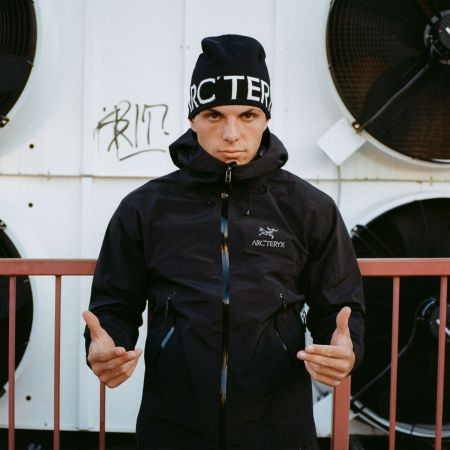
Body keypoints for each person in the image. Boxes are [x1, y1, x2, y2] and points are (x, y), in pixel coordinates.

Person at [83, 34, 365, 450]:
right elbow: (114, 304)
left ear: (266, 118)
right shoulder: (145, 208)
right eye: (214, 115)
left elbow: (340, 307)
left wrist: (347, 349)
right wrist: (104, 345)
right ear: (193, 119)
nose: (231, 134)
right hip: (172, 428)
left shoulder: (309, 208)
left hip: (278, 429)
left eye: (248, 114)